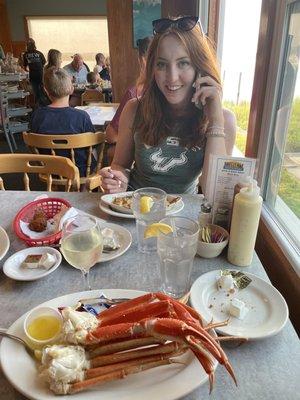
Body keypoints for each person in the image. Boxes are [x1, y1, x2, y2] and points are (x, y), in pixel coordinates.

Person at [99, 16, 236, 195]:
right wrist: (117, 179)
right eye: (162, 64)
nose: (172, 77)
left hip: (183, 216)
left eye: (183, 63)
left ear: (200, 68)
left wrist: (215, 120)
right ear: (152, 69)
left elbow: (215, 193)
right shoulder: (133, 110)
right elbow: (120, 165)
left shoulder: (224, 120)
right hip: (135, 211)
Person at [30, 67, 95, 176]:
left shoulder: (37, 116)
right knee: (93, 149)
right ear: (72, 89)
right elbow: (93, 145)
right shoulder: (82, 117)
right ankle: (85, 187)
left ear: (46, 90)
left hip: (50, 170)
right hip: (80, 171)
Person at [105, 36, 152, 163]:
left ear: (142, 60)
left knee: (108, 150)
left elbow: (111, 136)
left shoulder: (134, 94)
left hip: (138, 161)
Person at [22, 38, 46, 106]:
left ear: (27, 45)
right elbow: (44, 63)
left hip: (32, 75)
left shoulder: (25, 54)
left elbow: (24, 66)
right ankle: (43, 105)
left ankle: (38, 105)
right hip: (41, 74)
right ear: (34, 45)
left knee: (36, 92)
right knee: (43, 91)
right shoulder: (39, 53)